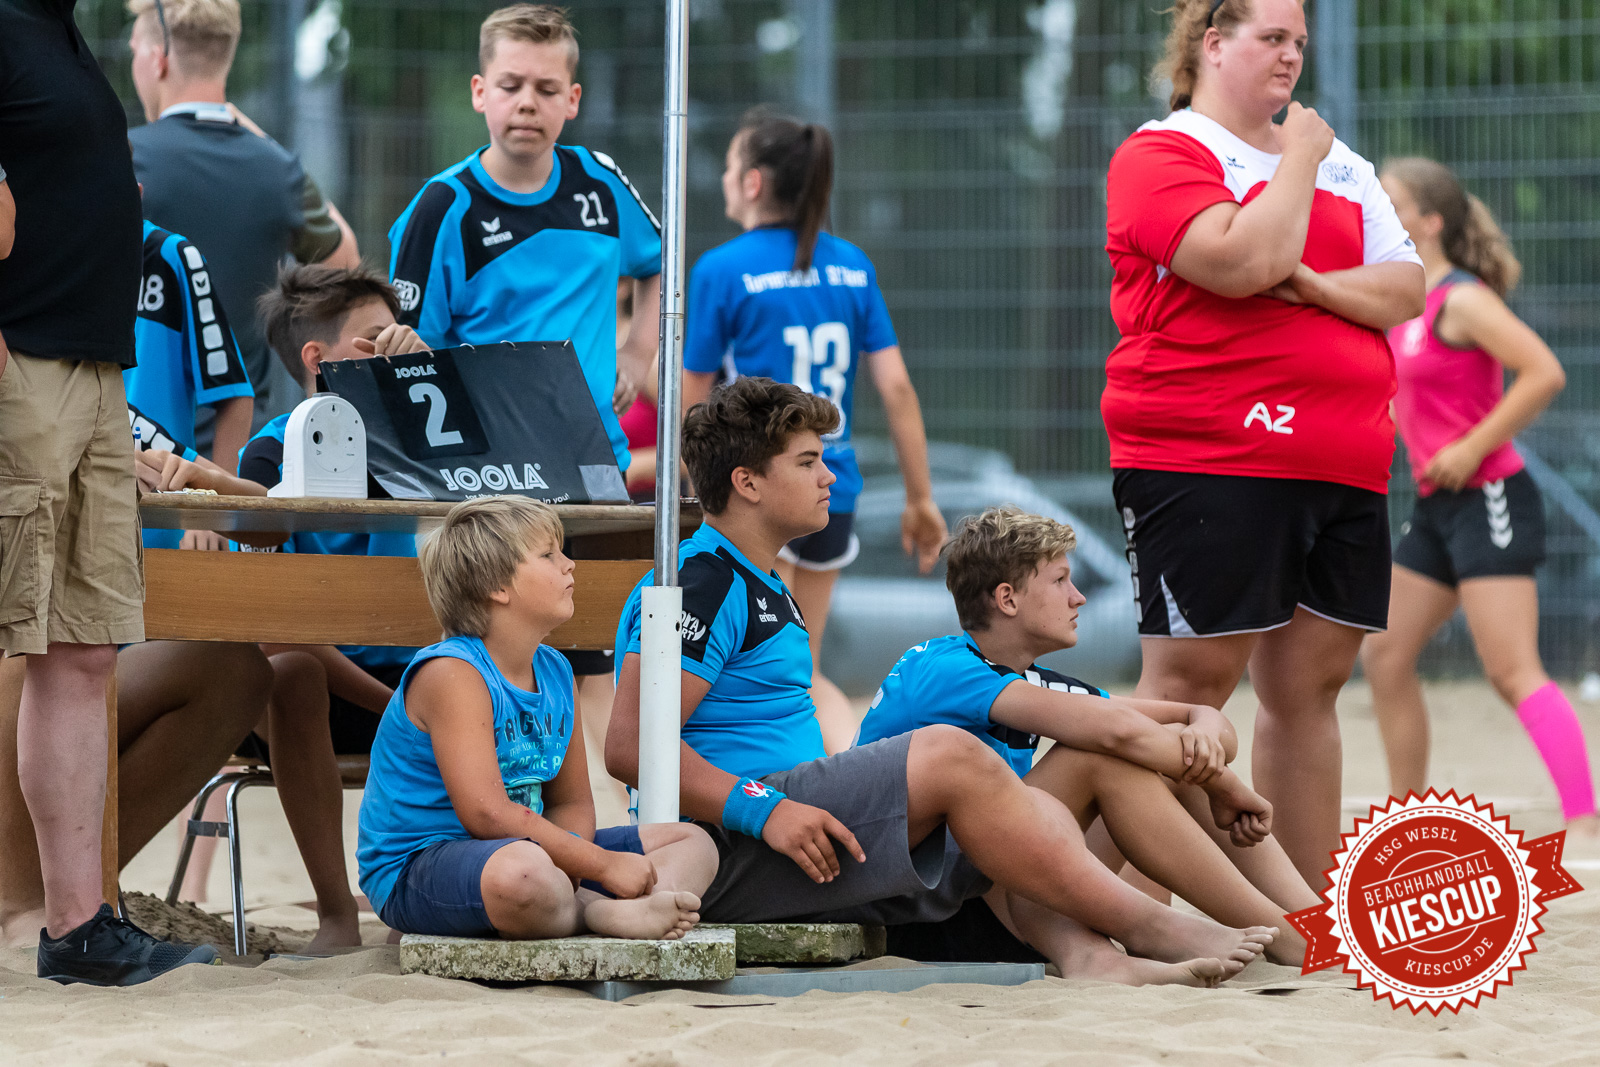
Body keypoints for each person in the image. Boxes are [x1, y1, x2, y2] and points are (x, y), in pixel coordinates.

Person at [607, 376, 1277, 986]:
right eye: (808, 461)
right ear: (748, 482)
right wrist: (767, 808)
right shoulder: (700, 581)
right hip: (731, 850)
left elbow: (1128, 723)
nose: (829, 475)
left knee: (1094, 758)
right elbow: (631, 748)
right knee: (955, 751)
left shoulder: (768, 583)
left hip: (802, 836)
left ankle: (1148, 947)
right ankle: (1149, 925)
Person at [1101, 0, 1425, 885]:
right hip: (1209, 455)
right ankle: (1107, 902)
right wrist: (1302, 159)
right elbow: (1243, 260)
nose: (1291, 57)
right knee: (1186, 693)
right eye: (1271, 38)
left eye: (1299, 44)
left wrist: (1314, 284)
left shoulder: (1345, 163)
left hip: (1343, 461)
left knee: (1307, 692)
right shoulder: (1162, 153)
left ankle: (1309, 915)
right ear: (1212, 43)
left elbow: (1404, 288)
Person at [857, 506, 1319, 969]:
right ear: (1007, 599)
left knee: (1157, 749)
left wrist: (1201, 728)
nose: (1078, 598)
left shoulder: (1027, 678)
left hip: (1000, 888)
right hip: (932, 912)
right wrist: (1226, 785)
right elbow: (1116, 731)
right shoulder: (943, 668)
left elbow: (1203, 722)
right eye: (1060, 581)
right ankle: (1290, 939)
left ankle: (1312, 919)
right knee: (1102, 757)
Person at [0, 0, 217, 984]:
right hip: (21, 367)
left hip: (91, 370)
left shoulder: (58, 30)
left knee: (82, 649)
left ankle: (78, 923)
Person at [388, 3, 661, 716]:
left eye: (545, 89)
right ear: (480, 92)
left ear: (572, 101)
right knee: (492, 662)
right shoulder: (441, 207)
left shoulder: (599, 182)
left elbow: (662, 265)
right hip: (486, 483)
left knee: (593, 666)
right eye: (510, 85)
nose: (526, 104)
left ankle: (589, 822)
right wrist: (404, 348)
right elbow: (403, 352)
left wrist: (639, 344)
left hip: (591, 462)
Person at [683, 111, 946, 754]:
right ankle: (847, 774)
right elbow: (897, 389)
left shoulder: (723, 268)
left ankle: (819, 779)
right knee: (802, 660)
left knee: (746, 659)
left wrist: (693, 490)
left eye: (725, 167)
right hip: (833, 484)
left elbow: (692, 395)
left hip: (752, 488)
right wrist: (920, 499)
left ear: (750, 183)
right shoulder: (851, 266)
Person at [1358, 159, 1598, 834]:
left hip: (1491, 495)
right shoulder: (1403, 300)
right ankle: (1405, 813)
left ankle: (1586, 817)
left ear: (1429, 223)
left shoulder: (1461, 298)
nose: (1376, 206)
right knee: (1385, 653)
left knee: (1512, 670)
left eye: (1392, 199)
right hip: (1438, 505)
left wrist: (1471, 444)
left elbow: (1543, 371)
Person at [358, 497, 716, 941]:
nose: (569, 565)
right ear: (496, 586)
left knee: (692, 842)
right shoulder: (452, 674)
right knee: (521, 876)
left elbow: (572, 803)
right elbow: (486, 815)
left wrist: (570, 868)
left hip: (534, 853)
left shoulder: (556, 670)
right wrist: (599, 866)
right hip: (421, 862)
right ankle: (596, 913)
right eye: (549, 555)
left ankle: (581, 905)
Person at [211, 265, 431, 951]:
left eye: (401, 334)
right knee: (293, 668)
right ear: (317, 358)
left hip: (425, 680)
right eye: (375, 339)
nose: (395, 346)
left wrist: (429, 385)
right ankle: (338, 913)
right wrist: (392, 704)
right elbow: (275, 626)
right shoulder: (274, 449)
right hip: (335, 690)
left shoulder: (429, 433)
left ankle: (421, 900)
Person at [127, 0, 360, 434]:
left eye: (135, 48)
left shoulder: (125, 158)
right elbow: (344, 262)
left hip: (134, 446)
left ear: (157, 59)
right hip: (235, 454)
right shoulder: (278, 170)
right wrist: (261, 140)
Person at [129, 217, 254, 549]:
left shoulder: (172, 256)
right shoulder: (43, 257)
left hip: (162, 525)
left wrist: (213, 511)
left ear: (136, 192)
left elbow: (234, 394)